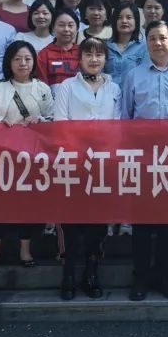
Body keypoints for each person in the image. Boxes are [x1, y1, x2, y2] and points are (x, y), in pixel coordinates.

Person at [122, 20, 168, 301]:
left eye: (162, 37)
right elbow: (126, 117)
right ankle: (140, 277)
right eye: (152, 38)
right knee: (142, 223)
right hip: (143, 158)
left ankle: (164, 276)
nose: (157, 43)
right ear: (146, 42)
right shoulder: (133, 75)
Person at [51, 37, 121, 300]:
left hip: (103, 164)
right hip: (74, 163)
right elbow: (60, 123)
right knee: (71, 221)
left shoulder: (115, 88)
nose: (94, 59)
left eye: (99, 54)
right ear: (79, 59)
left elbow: (117, 125)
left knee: (97, 222)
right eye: (88, 54)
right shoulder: (66, 87)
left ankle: (91, 272)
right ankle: (68, 272)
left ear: (106, 59)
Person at [0, 40, 54, 267]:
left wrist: (39, 121)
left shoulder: (43, 89)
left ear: (34, 62)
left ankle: (25, 250)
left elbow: (53, 119)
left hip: (32, 155)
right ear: (9, 62)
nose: (23, 63)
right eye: (17, 59)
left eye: (27, 59)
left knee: (27, 203)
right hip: (2, 155)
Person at [36, 10, 81, 86]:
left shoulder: (83, 52)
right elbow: (42, 85)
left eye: (70, 25)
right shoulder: (44, 54)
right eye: (61, 25)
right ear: (53, 28)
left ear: (77, 29)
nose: (66, 29)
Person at [107, 2, 148, 86]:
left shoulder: (144, 48)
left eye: (129, 17)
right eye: (120, 18)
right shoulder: (105, 46)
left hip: (134, 93)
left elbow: (146, 77)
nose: (124, 21)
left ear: (136, 21)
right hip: (109, 93)